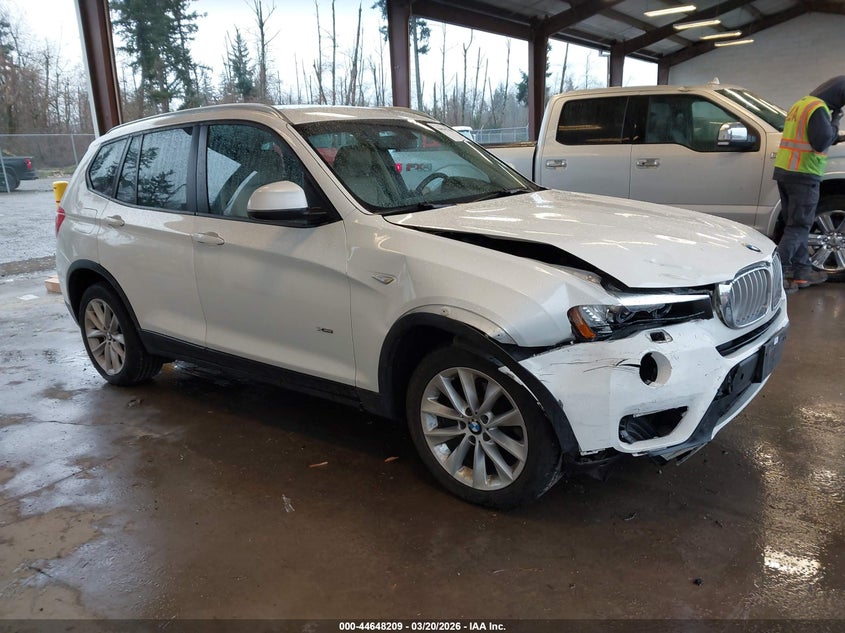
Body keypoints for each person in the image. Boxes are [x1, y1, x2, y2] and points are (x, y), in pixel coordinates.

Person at [774, 76, 844, 291]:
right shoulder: (819, 108)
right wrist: (836, 121)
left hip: (786, 173)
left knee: (795, 227)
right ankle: (775, 274)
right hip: (804, 174)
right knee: (798, 227)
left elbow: (809, 136)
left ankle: (802, 274)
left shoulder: (801, 104)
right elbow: (821, 141)